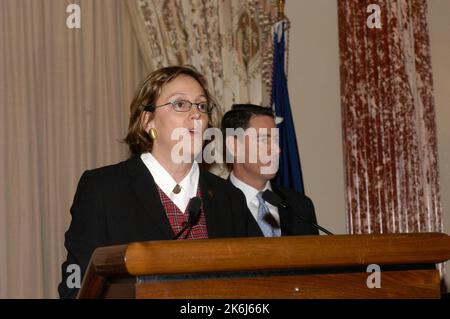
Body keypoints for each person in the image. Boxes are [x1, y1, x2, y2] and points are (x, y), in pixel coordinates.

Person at [58, 65, 249, 298]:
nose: (196, 114)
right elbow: (77, 285)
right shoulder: (103, 189)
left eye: (201, 105)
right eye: (180, 104)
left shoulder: (228, 197)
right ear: (148, 121)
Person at [221, 104, 319, 237]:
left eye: (276, 140)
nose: (276, 150)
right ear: (234, 147)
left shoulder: (300, 206)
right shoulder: (214, 207)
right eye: (263, 140)